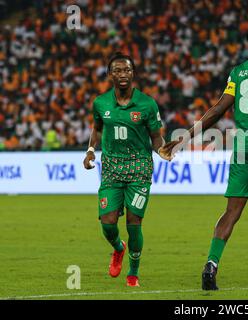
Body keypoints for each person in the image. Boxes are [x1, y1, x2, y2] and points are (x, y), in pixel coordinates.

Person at [161, 24, 248, 290]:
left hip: (242, 146)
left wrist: (184, 138)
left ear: (247, 46)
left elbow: (218, 109)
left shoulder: (239, 72)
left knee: (232, 211)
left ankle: (212, 262)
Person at [83, 52, 171, 287]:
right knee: (108, 223)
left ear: (133, 74)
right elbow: (97, 129)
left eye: (127, 70)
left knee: (134, 223)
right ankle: (118, 248)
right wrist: (91, 150)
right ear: (110, 75)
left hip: (140, 168)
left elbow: (155, 137)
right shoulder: (100, 103)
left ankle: (133, 272)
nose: (123, 74)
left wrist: (163, 150)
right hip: (112, 168)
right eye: (118, 70)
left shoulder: (147, 104)